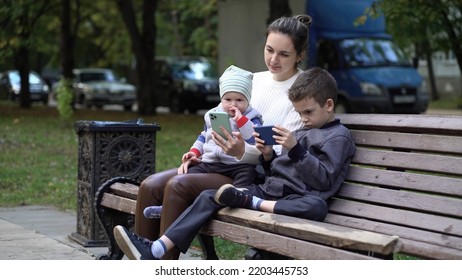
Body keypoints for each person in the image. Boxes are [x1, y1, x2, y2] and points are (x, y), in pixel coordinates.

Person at [113, 67, 357, 260]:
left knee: (316, 207)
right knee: (211, 195)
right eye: (299, 113)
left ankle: (246, 202)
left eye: (308, 113)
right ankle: (156, 249)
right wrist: (269, 155)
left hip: (296, 198)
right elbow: (278, 171)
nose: (302, 119)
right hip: (269, 191)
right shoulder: (305, 130)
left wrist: (295, 149)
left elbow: (323, 180)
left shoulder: (337, 137)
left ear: (328, 105)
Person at [134, 14, 312, 260]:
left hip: (253, 176)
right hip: (218, 162)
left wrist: (241, 152)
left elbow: (281, 155)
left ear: (299, 55)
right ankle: (142, 259)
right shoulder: (252, 80)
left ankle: (162, 263)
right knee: (150, 185)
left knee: (177, 185)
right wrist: (198, 152)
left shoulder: (303, 90)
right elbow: (216, 120)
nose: (273, 59)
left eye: (284, 54)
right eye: (269, 50)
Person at [143, 65, 263, 219]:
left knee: (247, 174)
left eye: (239, 100)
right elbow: (202, 137)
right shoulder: (212, 114)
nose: (233, 104)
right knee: (187, 175)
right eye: (228, 99)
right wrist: (194, 152)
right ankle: (167, 208)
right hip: (211, 162)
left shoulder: (253, 117)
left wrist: (241, 121)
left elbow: (253, 137)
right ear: (221, 99)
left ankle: (237, 199)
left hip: (238, 165)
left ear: (248, 100)